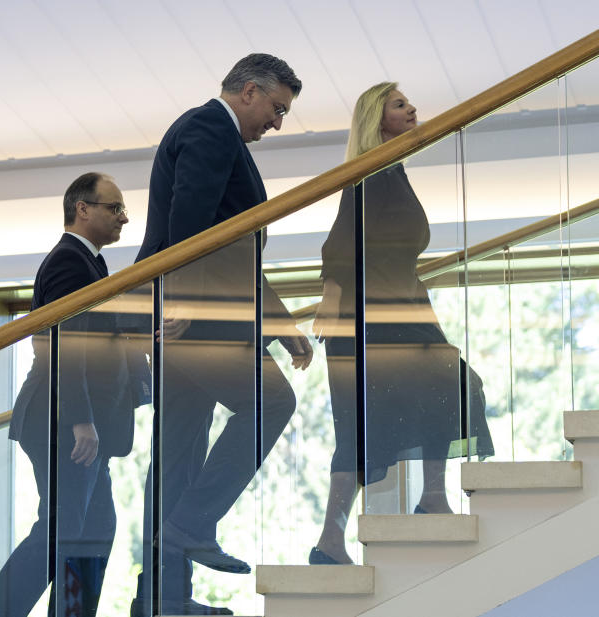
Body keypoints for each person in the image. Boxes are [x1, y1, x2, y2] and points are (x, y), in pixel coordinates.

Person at [131, 53, 313, 616]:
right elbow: (190, 218)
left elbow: (234, 248)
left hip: (192, 315)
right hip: (191, 317)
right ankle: (193, 523)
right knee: (271, 398)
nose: (277, 123)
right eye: (277, 109)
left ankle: (162, 600)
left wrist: (281, 325)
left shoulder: (215, 134)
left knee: (178, 455)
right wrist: (180, 296)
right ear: (250, 90)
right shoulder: (211, 127)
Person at [310, 82, 495, 565]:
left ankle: (431, 497)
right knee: (359, 425)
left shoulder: (392, 171)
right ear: (377, 120)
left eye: (410, 101)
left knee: (453, 388)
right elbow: (340, 241)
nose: (413, 107)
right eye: (400, 104)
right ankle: (331, 539)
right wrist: (330, 298)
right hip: (369, 315)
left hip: (404, 308)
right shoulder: (368, 172)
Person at [0, 172, 139, 616]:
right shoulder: (70, 261)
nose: (124, 217)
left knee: (94, 528)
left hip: (73, 418)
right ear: (82, 209)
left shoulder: (89, 263)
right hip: (62, 419)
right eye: (115, 207)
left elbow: (99, 336)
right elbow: (63, 343)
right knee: (62, 530)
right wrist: (80, 419)